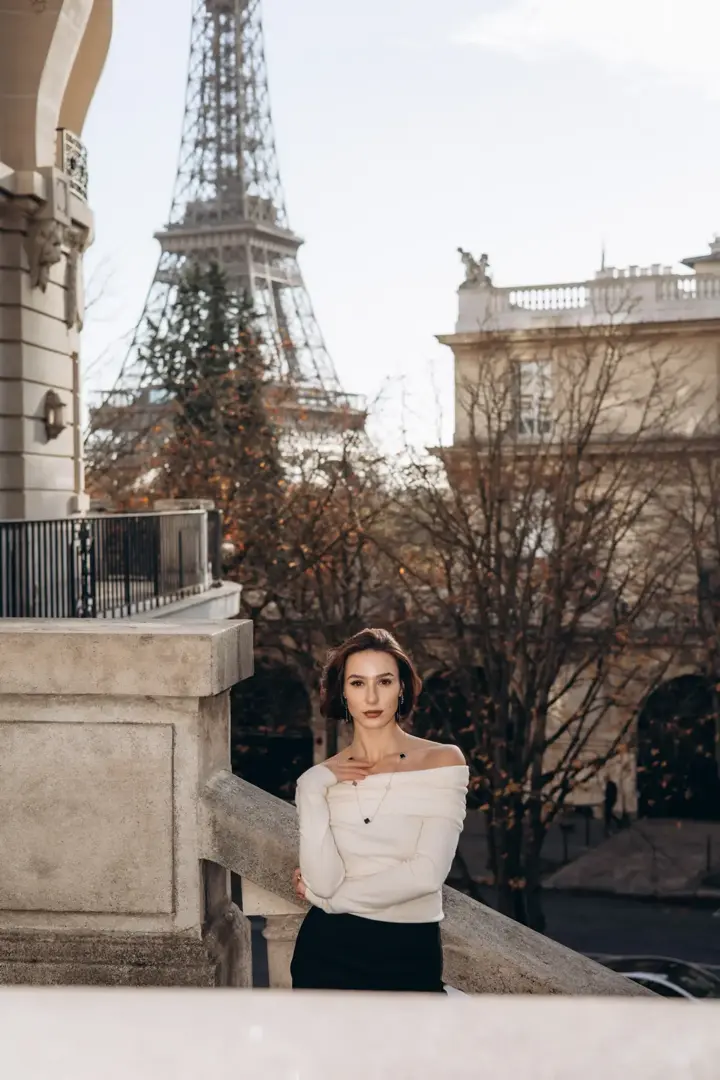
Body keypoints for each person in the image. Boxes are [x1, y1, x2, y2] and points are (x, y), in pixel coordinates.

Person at [290, 627, 468, 993]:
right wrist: (309, 787)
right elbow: (321, 881)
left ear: (402, 687)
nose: (371, 696)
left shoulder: (442, 760)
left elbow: (426, 875)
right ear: (343, 692)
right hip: (325, 953)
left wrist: (330, 900)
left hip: (408, 951)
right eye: (357, 683)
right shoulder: (322, 778)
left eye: (384, 681)